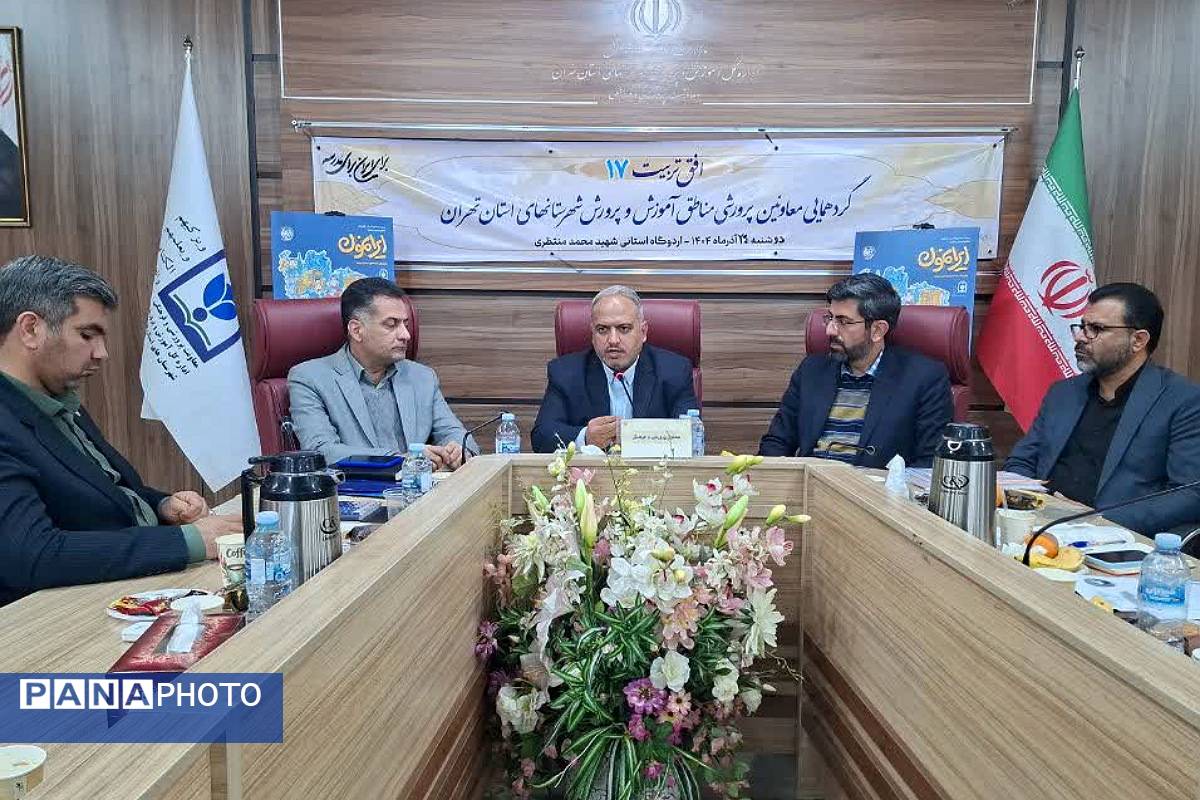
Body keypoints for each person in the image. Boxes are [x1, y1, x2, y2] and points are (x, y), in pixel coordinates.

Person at [0, 255, 241, 606]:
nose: (102, 353)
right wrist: (190, 541)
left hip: (127, 584)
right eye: (87, 335)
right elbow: (32, 554)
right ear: (30, 329)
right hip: (58, 613)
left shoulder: (59, 399)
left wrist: (162, 505)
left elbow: (103, 492)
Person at [1005, 283, 1200, 536]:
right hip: (1038, 527)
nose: (1080, 337)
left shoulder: (1182, 401)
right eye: (1082, 326)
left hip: (1116, 540)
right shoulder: (1063, 393)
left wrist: (1097, 519)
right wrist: (1032, 505)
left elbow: (1189, 493)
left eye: (1096, 329)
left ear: (1138, 340)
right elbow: (1022, 462)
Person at [758, 273, 952, 468]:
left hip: (874, 486)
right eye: (830, 318)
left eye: (843, 321)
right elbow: (777, 442)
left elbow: (930, 464)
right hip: (811, 481)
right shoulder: (812, 370)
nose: (830, 330)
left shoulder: (924, 378)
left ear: (877, 330)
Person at [288, 278, 476, 468]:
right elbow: (322, 451)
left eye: (405, 324)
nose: (405, 335)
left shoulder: (422, 377)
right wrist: (401, 460)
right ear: (356, 330)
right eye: (391, 324)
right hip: (356, 485)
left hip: (423, 484)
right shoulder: (309, 378)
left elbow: (454, 432)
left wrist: (460, 450)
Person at [531, 285, 698, 452]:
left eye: (623, 329)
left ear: (643, 332)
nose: (613, 340)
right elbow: (541, 437)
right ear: (592, 334)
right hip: (591, 469)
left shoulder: (675, 371)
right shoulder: (565, 373)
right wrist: (586, 437)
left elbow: (690, 437)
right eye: (602, 330)